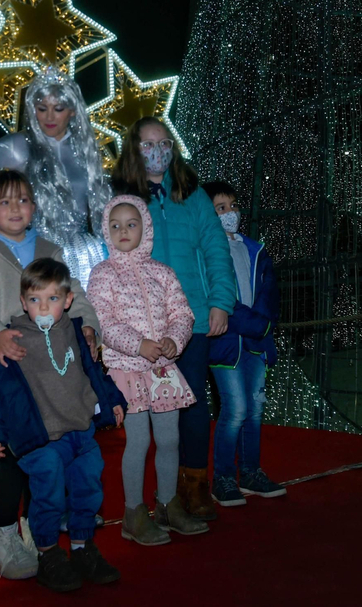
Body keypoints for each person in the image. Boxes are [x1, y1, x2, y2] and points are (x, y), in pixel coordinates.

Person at [0, 169, 105, 580]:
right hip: (12, 372)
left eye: (22, 199)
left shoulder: (50, 248)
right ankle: (3, 539)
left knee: (48, 459)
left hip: (54, 379)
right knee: (13, 460)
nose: (15, 208)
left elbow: (74, 294)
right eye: (4, 202)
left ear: (33, 206)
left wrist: (88, 326)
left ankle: (41, 532)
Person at [110, 117, 236, 523]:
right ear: (134, 149)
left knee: (194, 405)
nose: (157, 151)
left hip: (192, 319)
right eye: (147, 144)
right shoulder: (122, 199)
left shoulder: (192, 194)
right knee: (144, 419)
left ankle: (193, 485)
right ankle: (142, 504)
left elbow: (216, 247)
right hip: (140, 329)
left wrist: (221, 301)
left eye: (164, 143)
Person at [0, 258, 125, 593]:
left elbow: (94, 370)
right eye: (34, 299)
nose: (43, 307)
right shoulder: (13, 338)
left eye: (52, 299)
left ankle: (81, 547)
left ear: (68, 300)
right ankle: (47, 554)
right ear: (23, 302)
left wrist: (113, 397)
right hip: (42, 439)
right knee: (48, 496)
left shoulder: (75, 331)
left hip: (80, 432)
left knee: (89, 488)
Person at [85, 195, 205, 544]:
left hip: (163, 370)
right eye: (115, 225)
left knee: (169, 439)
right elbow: (103, 320)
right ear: (107, 231)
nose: (123, 231)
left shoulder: (162, 272)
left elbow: (182, 313)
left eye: (131, 224)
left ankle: (167, 505)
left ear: (145, 228)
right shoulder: (103, 274)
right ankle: (133, 513)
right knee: (138, 441)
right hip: (128, 370)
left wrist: (174, 340)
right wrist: (139, 345)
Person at [0, 65, 110, 288]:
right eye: (42, 109)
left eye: (59, 108)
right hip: (39, 254)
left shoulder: (86, 149)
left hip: (89, 256)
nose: (49, 117)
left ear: (73, 110)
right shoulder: (20, 146)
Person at [203, 181, 286, 506]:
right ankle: (222, 477)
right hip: (226, 343)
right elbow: (218, 298)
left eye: (233, 206)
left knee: (255, 409)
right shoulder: (206, 251)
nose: (229, 213)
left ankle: (250, 471)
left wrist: (263, 323)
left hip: (256, 343)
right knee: (235, 409)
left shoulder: (255, 249)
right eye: (220, 208)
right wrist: (256, 324)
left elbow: (269, 290)